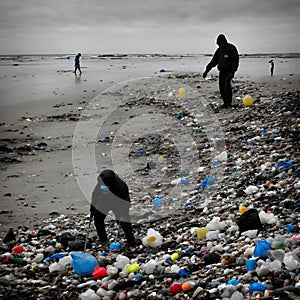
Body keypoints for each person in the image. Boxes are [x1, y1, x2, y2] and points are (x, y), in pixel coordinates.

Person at [90, 169, 136, 246]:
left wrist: (124, 210)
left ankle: (130, 240)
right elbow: (95, 196)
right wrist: (92, 208)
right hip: (105, 201)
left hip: (118, 203)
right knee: (98, 218)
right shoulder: (101, 181)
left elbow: (126, 201)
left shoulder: (121, 186)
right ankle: (103, 239)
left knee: (124, 221)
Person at [203, 34, 239, 108]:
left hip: (229, 72)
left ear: (223, 42)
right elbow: (213, 61)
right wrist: (206, 71)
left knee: (227, 87)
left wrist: (232, 72)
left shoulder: (231, 48)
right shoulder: (219, 51)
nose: (219, 45)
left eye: (220, 43)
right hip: (222, 72)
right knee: (221, 88)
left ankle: (228, 103)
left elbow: (235, 61)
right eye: (218, 44)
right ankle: (225, 103)